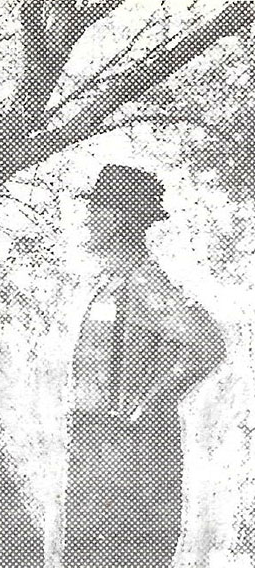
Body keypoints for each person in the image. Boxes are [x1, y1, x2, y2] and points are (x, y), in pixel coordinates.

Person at [62, 165, 226, 567]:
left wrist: (151, 403)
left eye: (95, 208)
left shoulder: (145, 284)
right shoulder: (114, 285)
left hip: (129, 455)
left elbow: (209, 343)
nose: (87, 219)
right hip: (98, 446)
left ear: (115, 218)